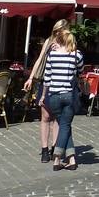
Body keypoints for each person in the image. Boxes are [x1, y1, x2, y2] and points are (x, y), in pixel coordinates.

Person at [26, 18, 68, 162]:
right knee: (45, 116)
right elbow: (40, 59)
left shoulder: (68, 43)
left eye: (62, 31)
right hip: (46, 82)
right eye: (58, 31)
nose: (59, 34)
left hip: (60, 82)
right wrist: (31, 77)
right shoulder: (49, 41)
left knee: (56, 117)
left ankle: (54, 148)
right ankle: (44, 149)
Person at [42, 26, 83, 171]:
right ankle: (57, 158)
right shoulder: (76, 55)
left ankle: (72, 159)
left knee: (64, 125)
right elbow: (80, 71)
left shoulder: (52, 55)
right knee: (65, 126)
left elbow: (47, 78)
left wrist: (43, 95)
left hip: (53, 96)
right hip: (68, 95)